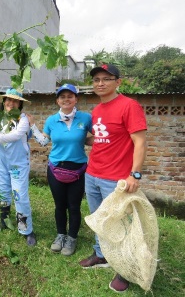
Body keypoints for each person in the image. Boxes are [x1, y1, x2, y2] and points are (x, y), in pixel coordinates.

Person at [78, 64, 147, 293]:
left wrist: (134, 174)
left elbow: (140, 142)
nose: (100, 83)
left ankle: (125, 268)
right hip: (93, 173)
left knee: (123, 224)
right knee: (99, 219)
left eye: (106, 79)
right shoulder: (97, 111)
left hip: (117, 179)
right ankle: (101, 255)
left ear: (118, 81)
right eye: (96, 79)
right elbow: (101, 139)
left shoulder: (129, 106)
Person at [27, 84, 92, 256]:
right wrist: (33, 126)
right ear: (57, 101)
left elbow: (94, 138)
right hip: (56, 168)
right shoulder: (51, 120)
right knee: (60, 206)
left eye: (70, 96)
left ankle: (72, 238)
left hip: (78, 169)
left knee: (74, 206)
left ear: (76, 99)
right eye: (62, 97)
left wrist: (104, 142)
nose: (66, 99)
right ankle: (60, 235)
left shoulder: (85, 119)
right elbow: (43, 142)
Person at [0, 88, 37, 247]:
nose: (11, 103)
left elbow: (16, 135)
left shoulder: (23, 119)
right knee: (3, 193)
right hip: (0, 162)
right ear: (4, 101)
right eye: (8, 100)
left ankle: (26, 229)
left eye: (15, 101)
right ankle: (4, 221)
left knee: (20, 196)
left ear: (20, 104)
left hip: (18, 164)